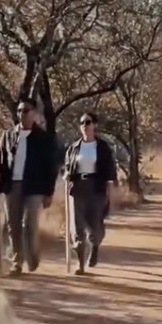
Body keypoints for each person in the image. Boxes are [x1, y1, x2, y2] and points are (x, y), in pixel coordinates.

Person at [0, 99, 59, 276]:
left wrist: (49, 192)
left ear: (35, 114)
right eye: (20, 111)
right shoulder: (8, 135)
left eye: (26, 111)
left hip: (34, 187)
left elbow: (51, 168)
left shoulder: (43, 139)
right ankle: (17, 262)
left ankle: (32, 256)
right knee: (13, 225)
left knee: (29, 224)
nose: (22, 114)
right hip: (12, 185)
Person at [63, 111, 117, 275]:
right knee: (77, 227)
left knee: (96, 226)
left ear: (95, 125)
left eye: (88, 122)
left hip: (96, 187)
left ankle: (95, 247)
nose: (84, 126)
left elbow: (109, 171)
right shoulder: (73, 148)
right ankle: (80, 265)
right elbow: (67, 166)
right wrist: (66, 174)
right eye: (82, 123)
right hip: (77, 187)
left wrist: (110, 192)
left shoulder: (102, 147)